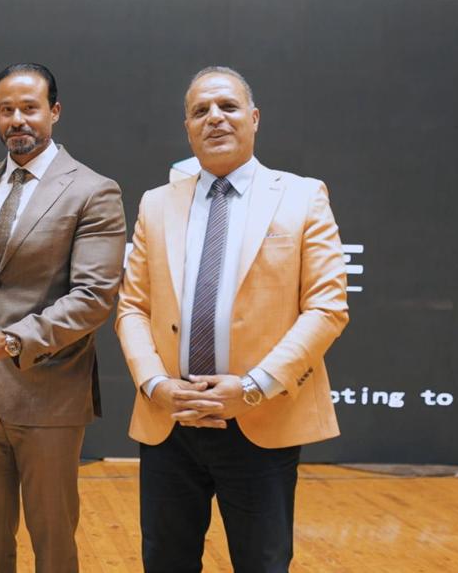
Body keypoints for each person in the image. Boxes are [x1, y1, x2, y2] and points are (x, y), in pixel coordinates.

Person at [115, 66, 349, 573]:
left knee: (262, 563)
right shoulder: (156, 204)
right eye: (200, 111)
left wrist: (252, 388)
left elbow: (327, 307)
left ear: (254, 118)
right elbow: (132, 307)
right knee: (165, 562)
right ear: (187, 127)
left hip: (260, 417)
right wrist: (156, 384)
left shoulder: (303, 196)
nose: (214, 118)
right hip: (170, 420)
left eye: (228, 106)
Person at [0, 63, 126, 572]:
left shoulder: (93, 190)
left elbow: (94, 297)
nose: (17, 120)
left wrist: (11, 341)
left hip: (48, 392)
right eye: (6, 109)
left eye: (29, 108)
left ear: (54, 111)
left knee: (53, 544)